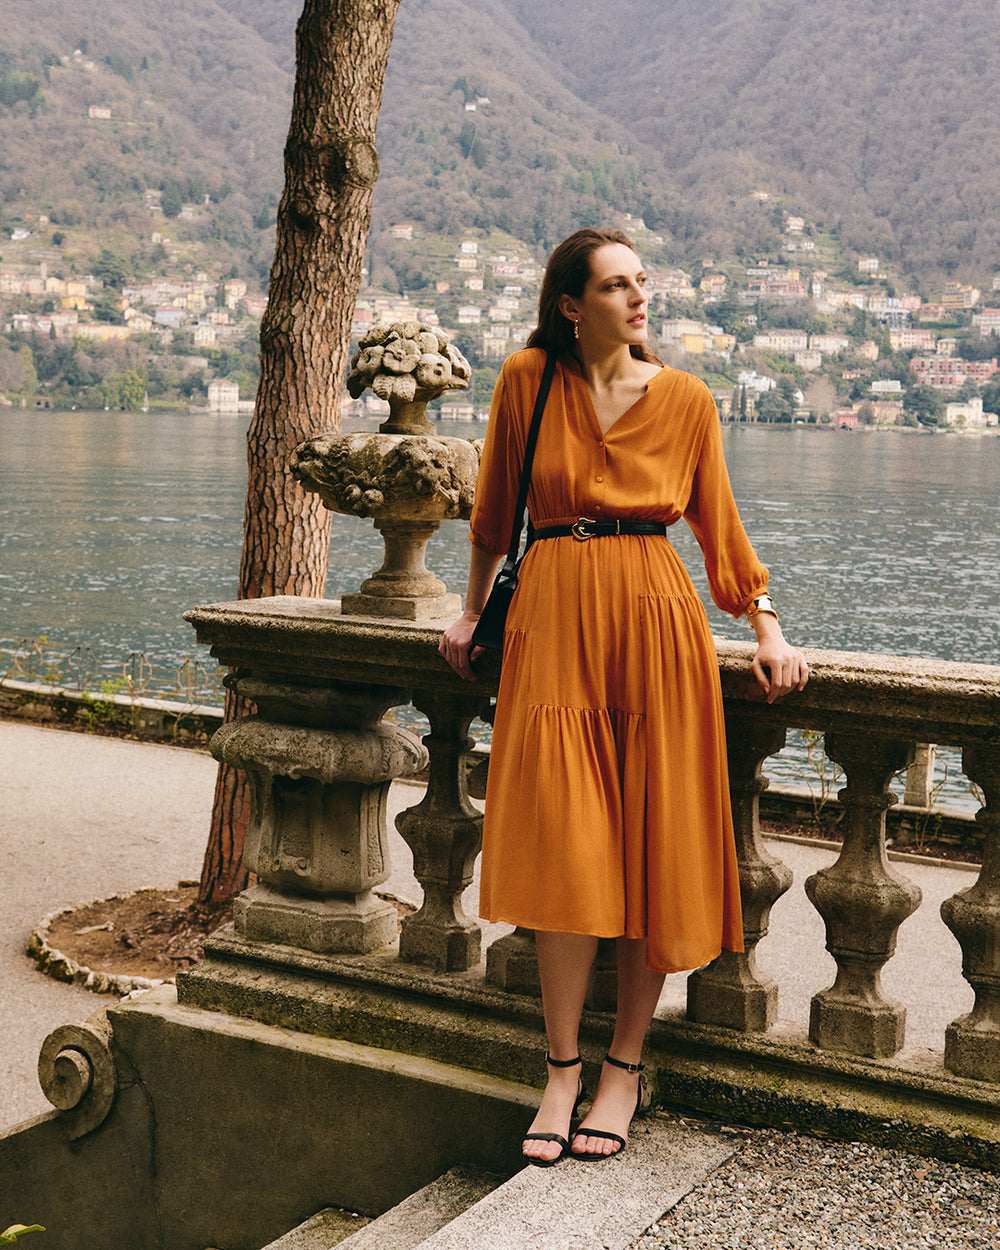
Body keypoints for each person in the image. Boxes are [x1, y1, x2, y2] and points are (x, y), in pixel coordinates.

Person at [439, 228, 809, 1167]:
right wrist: (472, 614)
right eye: (616, 285)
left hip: (654, 624)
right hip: (554, 623)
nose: (639, 297)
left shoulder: (686, 399)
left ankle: (622, 1069)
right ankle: (558, 1068)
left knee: (649, 844)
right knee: (567, 847)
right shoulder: (528, 379)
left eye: (643, 282)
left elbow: (719, 528)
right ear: (572, 303)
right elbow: (493, 513)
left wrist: (765, 623)